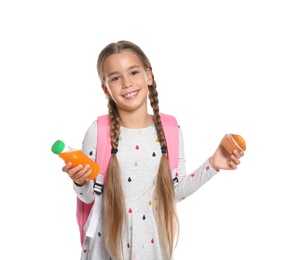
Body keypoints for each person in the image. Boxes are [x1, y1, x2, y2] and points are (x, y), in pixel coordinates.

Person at [62, 40, 244, 260]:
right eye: (116, 78)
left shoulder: (170, 129)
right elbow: (90, 196)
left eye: (134, 72)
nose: (127, 83)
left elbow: (174, 191)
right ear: (106, 89)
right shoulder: (98, 131)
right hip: (107, 249)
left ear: (148, 76)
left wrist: (213, 164)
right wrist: (80, 181)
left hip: (153, 248)